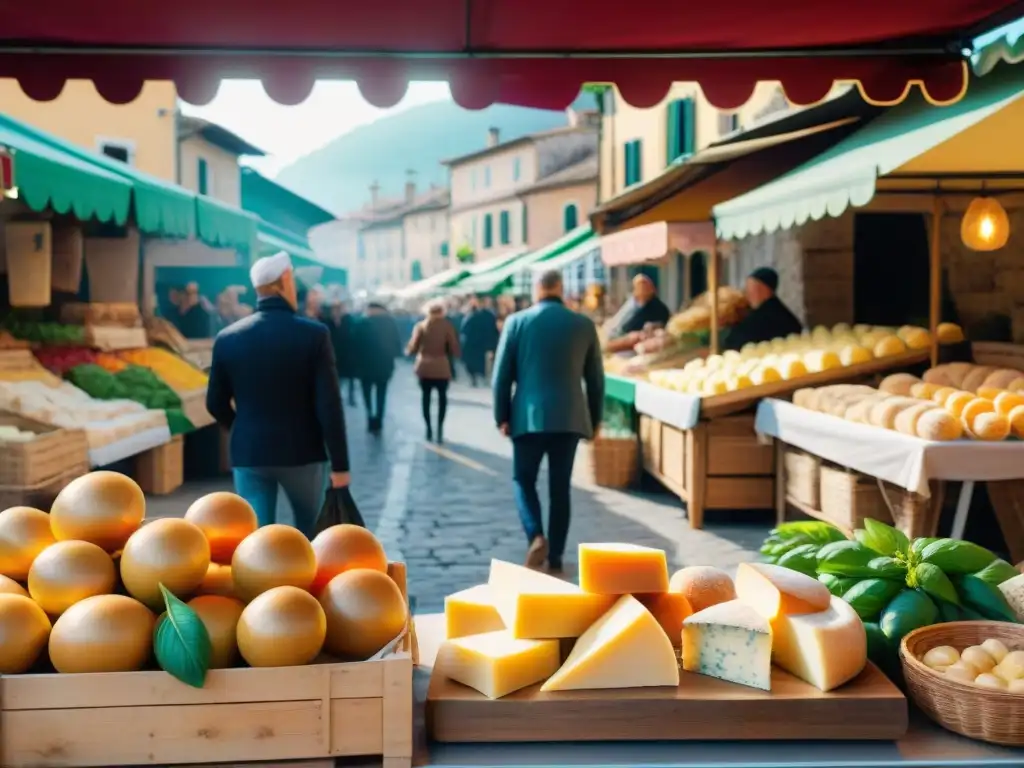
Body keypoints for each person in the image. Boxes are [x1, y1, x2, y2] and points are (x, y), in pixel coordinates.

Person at [205, 252, 350, 537]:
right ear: (285, 280)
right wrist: (341, 465)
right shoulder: (314, 334)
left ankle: (265, 584)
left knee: (259, 542)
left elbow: (215, 402)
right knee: (313, 536)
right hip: (304, 451)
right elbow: (329, 405)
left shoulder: (228, 337)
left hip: (250, 451)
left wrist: (242, 427)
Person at [492, 270, 604, 574]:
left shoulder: (517, 322)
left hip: (527, 417)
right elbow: (595, 379)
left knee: (523, 480)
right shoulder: (583, 324)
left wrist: (501, 415)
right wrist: (595, 420)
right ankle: (555, 557)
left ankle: (536, 535)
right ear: (560, 288)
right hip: (569, 416)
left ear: (537, 289)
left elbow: (501, 376)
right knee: (560, 488)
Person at [407, 301, 461, 443]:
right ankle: (440, 428)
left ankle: (428, 428)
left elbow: (413, 347)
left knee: (426, 398)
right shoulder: (447, 326)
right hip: (442, 367)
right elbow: (454, 349)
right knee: (442, 399)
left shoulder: (420, 326)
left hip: (424, 367)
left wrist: (410, 351)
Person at [722, 266, 803, 351]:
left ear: (765, 289)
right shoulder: (757, 312)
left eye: (752, 289)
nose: (748, 294)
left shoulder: (771, 314)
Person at [355, 302, 402, 434]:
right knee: (381, 393)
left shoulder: (362, 323)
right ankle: (379, 419)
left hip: (365, 365)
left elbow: (355, 345)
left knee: (367, 393)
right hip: (384, 365)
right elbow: (396, 343)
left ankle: (370, 416)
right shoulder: (390, 323)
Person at [609, 274, 671, 338]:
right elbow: (619, 320)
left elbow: (662, 323)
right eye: (638, 287)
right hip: (619, 335)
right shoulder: (632, 302)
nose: (641, 290)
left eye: (644, 287)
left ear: (651, 289)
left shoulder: (658, 307)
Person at [460, 296, 499, 387]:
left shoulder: (471, 316)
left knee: (473, 362)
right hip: (485, 344)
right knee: (486, 362)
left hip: (473, 345)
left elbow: (464, 330)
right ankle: (485, 378)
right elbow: (494, 331)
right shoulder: (490, 316)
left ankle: (475, 377)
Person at [326, 299, 358, 406]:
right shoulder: (328, 322)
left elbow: (353, 336)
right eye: (335, 309)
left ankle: (351, 397)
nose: (337, 312)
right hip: (334, 354)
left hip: (348, 354)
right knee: (337, 378)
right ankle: (337, 397)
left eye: (339, 309)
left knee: (350, 379)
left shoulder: (349, 321)